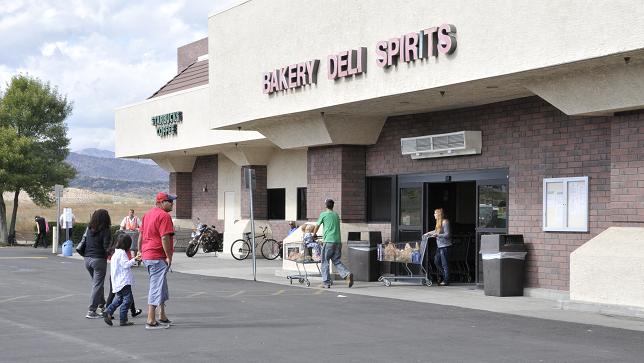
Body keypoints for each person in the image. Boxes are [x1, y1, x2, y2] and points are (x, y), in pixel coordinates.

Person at [138, 192, 176, 330]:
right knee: (156, 286)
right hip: (157, 256)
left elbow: (141, 235)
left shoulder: (147, 215)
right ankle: (150, 319)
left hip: (148, 255)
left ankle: (162, 315)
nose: (172, 203)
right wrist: (169, 256)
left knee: (162, 286)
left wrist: (140, 251)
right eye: (169, 201)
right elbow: (165, 238)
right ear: (160, 202)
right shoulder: (164, 216)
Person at [313, 199, 353, 289]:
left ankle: (326, 283)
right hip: (338, 242)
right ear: (333, 206)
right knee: (336, 260)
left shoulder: (323, 214)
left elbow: (317, 226)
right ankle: (347, 274)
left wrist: (314, 235)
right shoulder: (336, 215)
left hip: (328, 242)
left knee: (325, 261)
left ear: (326, 205)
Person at [103, 233, 141, 327]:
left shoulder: (115, 253)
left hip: (118, 281)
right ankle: (123, 319)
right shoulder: (122, 253)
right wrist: (134, 259)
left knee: (119, 299)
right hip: (124, 281)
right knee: (128, 300)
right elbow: (125, 265)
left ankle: (108, 311)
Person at [83, 209, 112, 318]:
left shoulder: (89, 228)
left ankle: (102, 304)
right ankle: (91, 310)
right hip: (98, 259)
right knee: (97, 284)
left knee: (97, 284)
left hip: (87, 259)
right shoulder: (106, 230)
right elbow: (106, 247)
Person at [424, 208, 452, 286]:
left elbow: (447, 234)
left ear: (439, 214)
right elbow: (436, 231)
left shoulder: (445, 222)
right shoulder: (438, 222)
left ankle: (446, 281)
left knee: (444, 264)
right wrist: (428, 233)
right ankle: (445, 276)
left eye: (435, 213)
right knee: (436, 261)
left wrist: (437, 235)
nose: (434, 215)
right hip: (440, 247)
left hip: (445, 246)